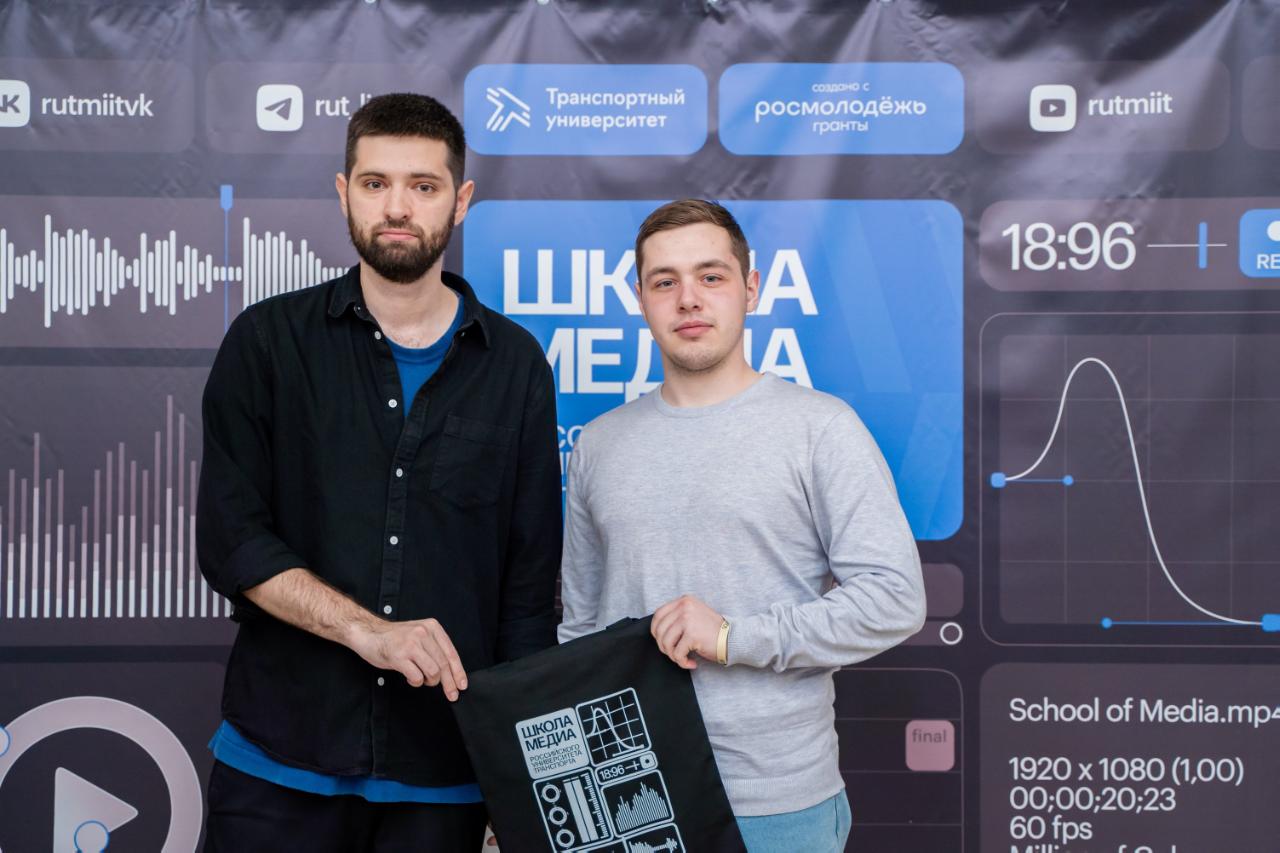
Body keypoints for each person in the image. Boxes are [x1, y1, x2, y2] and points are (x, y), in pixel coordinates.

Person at [197, 93, 561, 851]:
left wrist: (517, 773)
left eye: (423, 185)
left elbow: (526, 596)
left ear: (461, 200)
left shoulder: (517, 365)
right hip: (278, 762)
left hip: (447, 776)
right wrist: (370, 632)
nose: (397, 206)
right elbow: (233, 541)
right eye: (375, 183)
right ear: (344, 193)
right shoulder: (266, 342)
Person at [558, 199, 926, 852]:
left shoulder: (820, 428)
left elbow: (894, 598)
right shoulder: (599, 445)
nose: (688, 299)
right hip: (631, 800)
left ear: (750, 289)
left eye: (711, 276)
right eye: (665, 281)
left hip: (774, 805)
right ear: (640, 299)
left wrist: (733, 637)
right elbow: (581, 632)